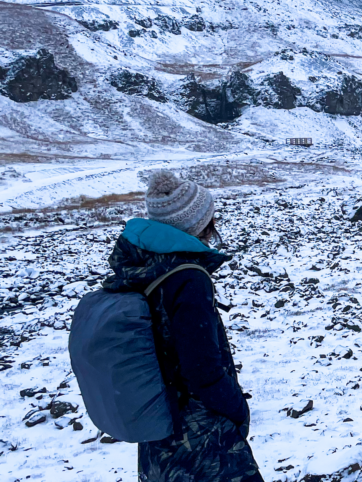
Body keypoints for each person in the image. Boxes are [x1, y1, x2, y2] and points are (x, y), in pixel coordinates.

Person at [102, 169, 263, 482]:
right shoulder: (187, 279)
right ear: (195, 224)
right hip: (202, 436)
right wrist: (237, 410)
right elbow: (203, 369)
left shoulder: (142, 266)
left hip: (158, 428)